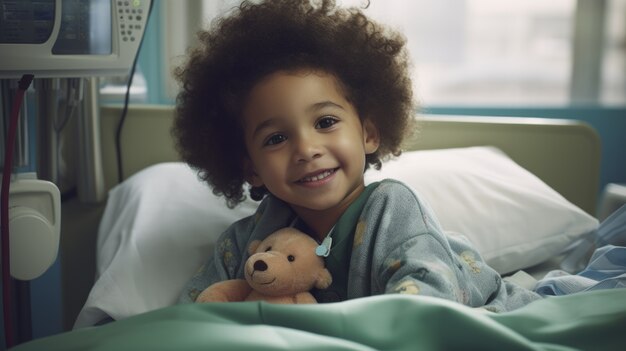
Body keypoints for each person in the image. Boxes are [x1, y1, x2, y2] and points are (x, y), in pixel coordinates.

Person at [173, 0, 540, 311]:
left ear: (368, 133)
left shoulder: (393, 209)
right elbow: (194, 312)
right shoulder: (244, 243)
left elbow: (427, 300)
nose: (306, 149)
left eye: (326, 121)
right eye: (277, 138)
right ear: (251, 168)